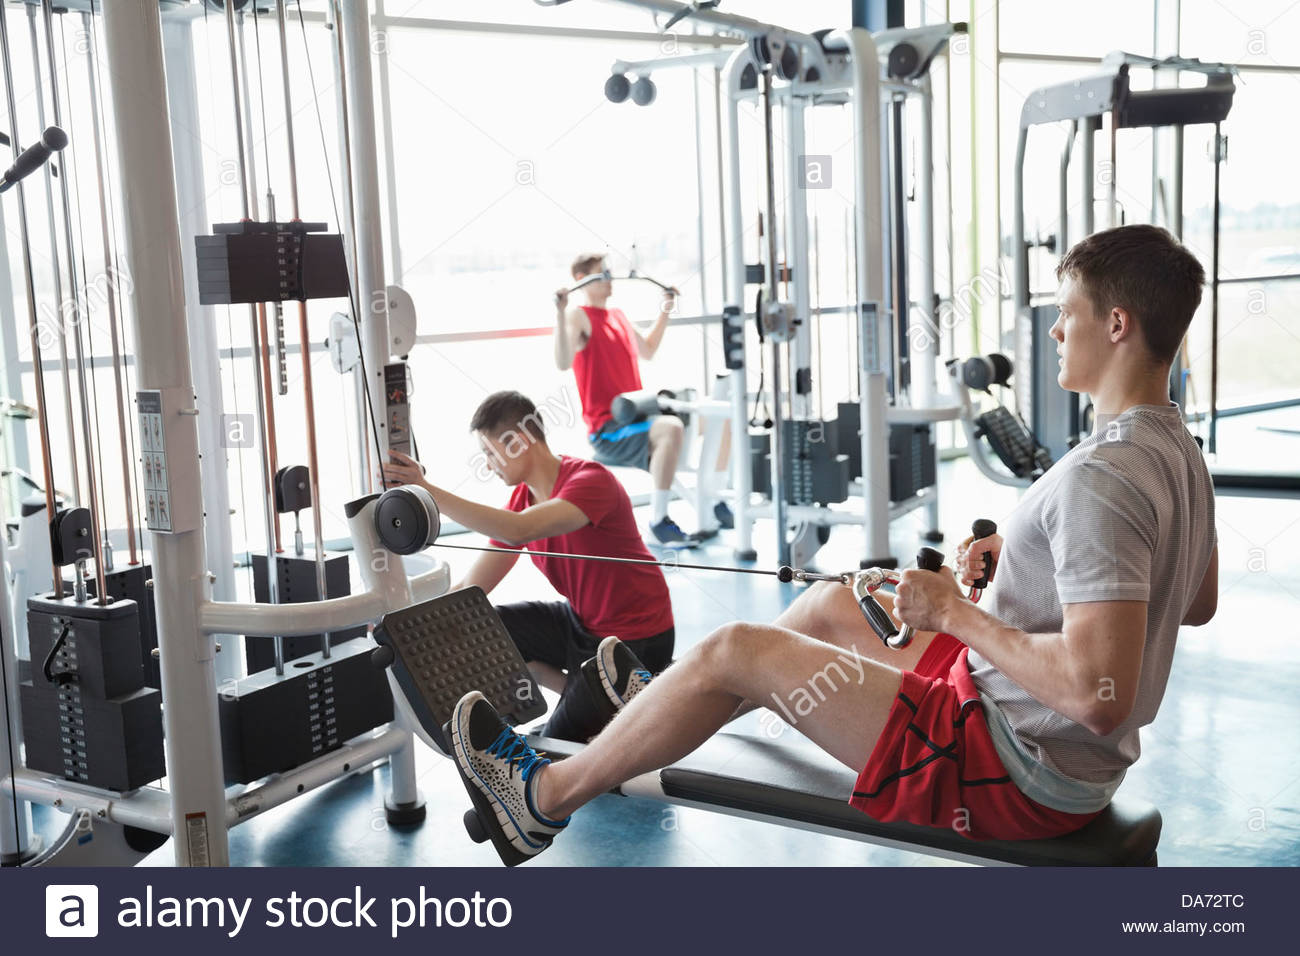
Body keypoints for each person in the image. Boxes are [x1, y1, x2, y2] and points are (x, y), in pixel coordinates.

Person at [449, 224, 1219, 864]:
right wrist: (1028, 575)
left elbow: (1094, 693)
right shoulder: (1174, 448)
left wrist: (957, 613)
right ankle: (660, 707)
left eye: (1068, 311)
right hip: (1026, 726)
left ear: (1117, 324)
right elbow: (1198, 599)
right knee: (824, 603)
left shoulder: (1101, 478)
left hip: (1010, 768)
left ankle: (539, 800)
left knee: (732, 649)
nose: (1053, 329)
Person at [381, 390, 674, 742]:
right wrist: (402, 627)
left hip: (634, 641)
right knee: (483, 623)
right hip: (581, 625)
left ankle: (597, 699)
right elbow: (470, 591)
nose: (488, 465)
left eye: (490, 452)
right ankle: (574, 690)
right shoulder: (523, 500)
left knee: (555, 749)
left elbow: (521, 528)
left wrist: (425, 490)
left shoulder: (590, 482)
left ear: (518, 443)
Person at [553, 253, 732, 545]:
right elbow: (562, 361)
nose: (610, 279)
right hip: (608, 429)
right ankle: (659, 521)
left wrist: (666, 309)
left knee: (722, 421)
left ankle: (715, 500)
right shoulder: (578, 316)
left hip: (639, 416)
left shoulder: (618, 315)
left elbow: (647, 350)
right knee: (671, 427)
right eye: (602, 273)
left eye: (610, 272)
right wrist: (560, 313)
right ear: (581, 280)